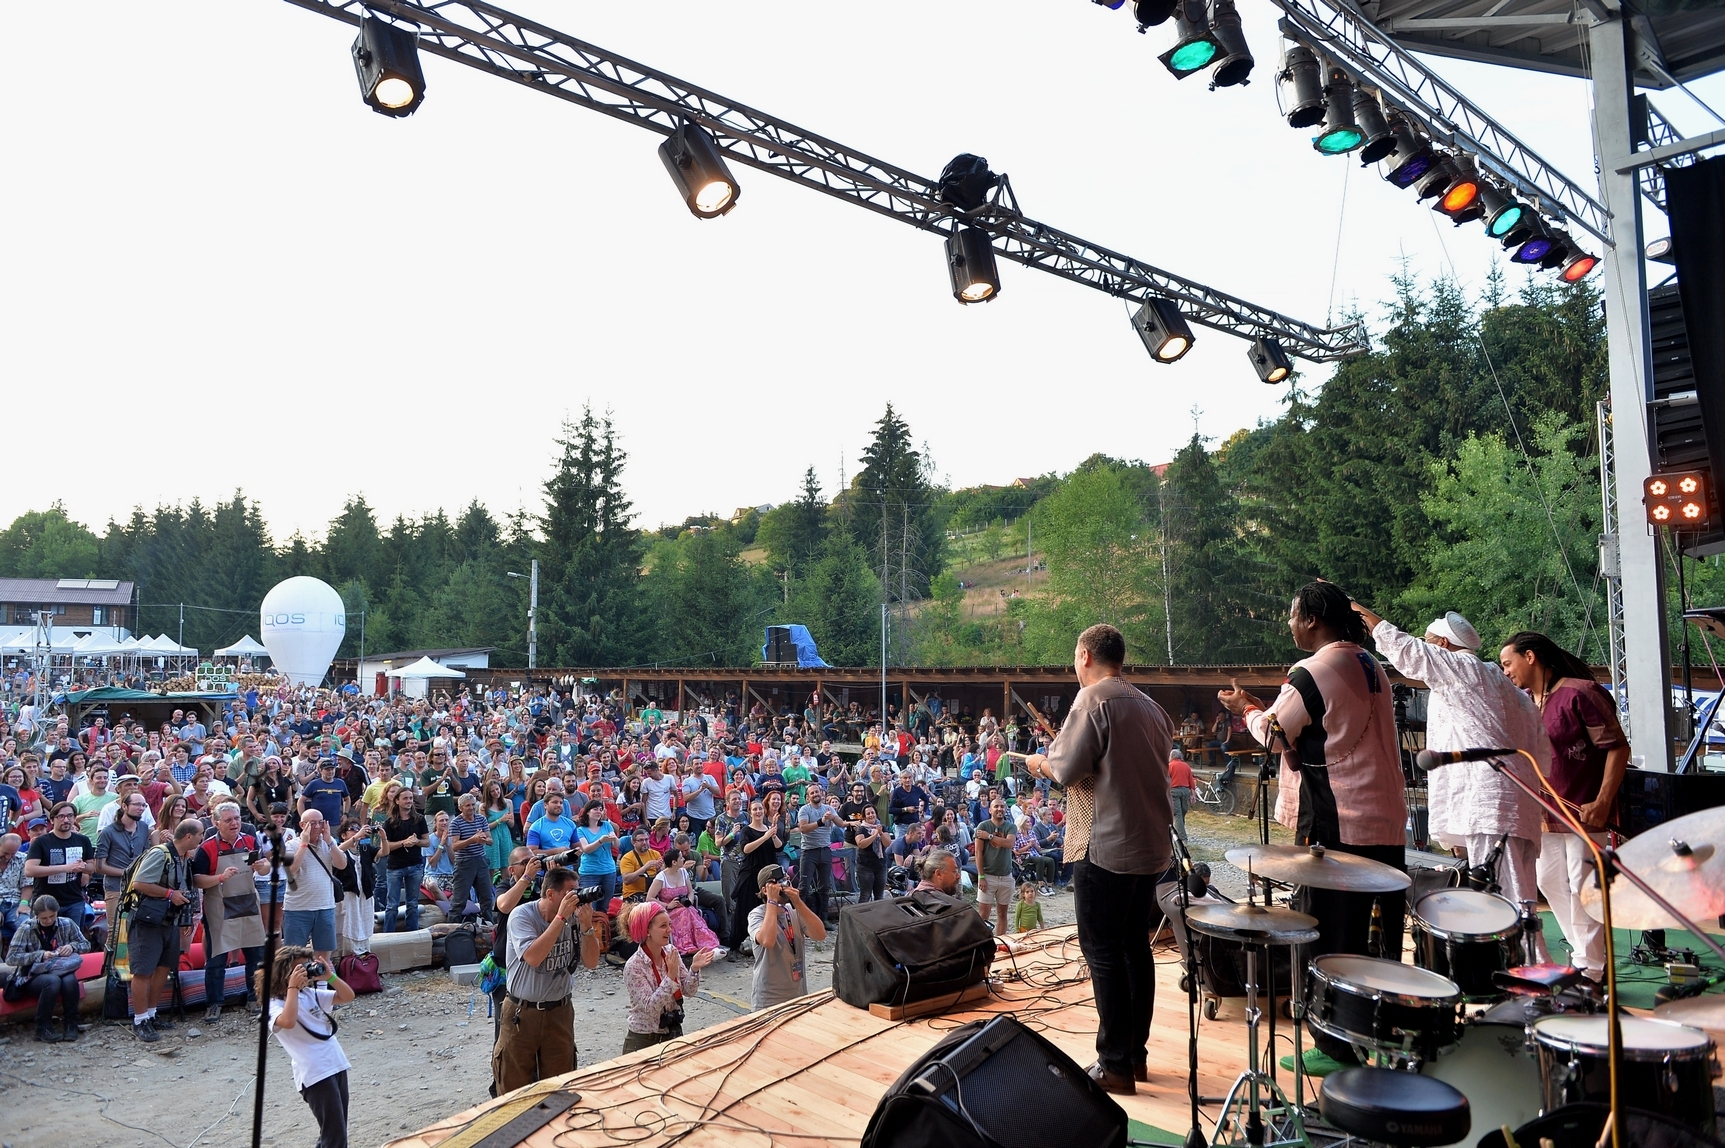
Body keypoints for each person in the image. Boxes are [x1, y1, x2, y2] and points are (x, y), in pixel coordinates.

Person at [1024, 623, 1175, 1096]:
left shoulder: (1092, 701)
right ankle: (1135, 1055)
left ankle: (1114, 1065)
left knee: (1103, 952)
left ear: (1085, 655)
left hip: (1105, 845)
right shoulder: (1153, 708)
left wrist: (1038, 763)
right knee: (1134, 947)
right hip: (1149, 846)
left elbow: (1068, 770)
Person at [1356, 604, 1550, 925]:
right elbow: (1541, 751)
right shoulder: (1506, 689)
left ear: (1443, 646)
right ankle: (1511, 967)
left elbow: (1408, 651)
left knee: (1509, 905)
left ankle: (1523, 969)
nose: (1424, 645)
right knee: (1506, 900)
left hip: (1492, 807)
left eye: (1428, 640)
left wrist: (1357, 609)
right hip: (1505, 807)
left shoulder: (1465, 668)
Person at [1500, 631, 1628, 982]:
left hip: (1585, 808)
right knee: (1548, 880)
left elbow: (1617, 748)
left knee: (1581, 882)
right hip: (1544, 812)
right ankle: (1584, 956)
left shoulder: (1580, 693)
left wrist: (1602, 801)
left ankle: (1592, 968)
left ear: (1530, 657)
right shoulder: (1525, 701)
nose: (1505, 671)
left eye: (1508, 663)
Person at [492, 866, 580, 1095]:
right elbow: (532, 957)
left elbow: (590, 962)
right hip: (522, 1012)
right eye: (569, 892)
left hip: (559, 1011)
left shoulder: (575, 918)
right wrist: (561, 918)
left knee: (559, 1087)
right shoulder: (521, 915)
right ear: (550, 894)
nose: (575, 898)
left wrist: (588, 927)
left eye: (577, 891)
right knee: (513, 1088)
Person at [264, 946, 356, 1148]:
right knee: (335, 1138)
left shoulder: (309, 994)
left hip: (335, 1063)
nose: (306, 972)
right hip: (314, 1073)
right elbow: (287, 1021)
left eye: (307, 966)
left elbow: (348, 996)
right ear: (285, 972)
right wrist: (292, 989)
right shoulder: (272, 1004)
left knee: (335, 1131)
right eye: (300, 969)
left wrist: (330, 977)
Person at [193, 802, 272, 1021]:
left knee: (255, 957)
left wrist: (262, 867)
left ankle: (253, 998)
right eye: (228, 820)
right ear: (216, 822)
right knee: (217, 959)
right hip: (219, 907)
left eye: (236, 818)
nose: (234, 823)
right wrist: (219, 877)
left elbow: (264, 867)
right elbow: (197, 880)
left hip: (247, 902)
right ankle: (214, 1003)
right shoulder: (207, 848)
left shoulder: (249, 841)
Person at [124, 818, 201, 1042]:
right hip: (147, 922)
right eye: (200, 834)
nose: (201, 838)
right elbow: (139, 883)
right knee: (143, 970)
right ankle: (140, 1020)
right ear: (188, 836)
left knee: (162, 968)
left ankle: (151, 1014)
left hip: (169, 921)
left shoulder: (183, 858)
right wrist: (169, 895)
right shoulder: (160, 854)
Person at [622, 900, 713, 1052]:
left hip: (671, 1032)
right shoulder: (634, 966)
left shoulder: (671, 952)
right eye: (663, 926)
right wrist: (670, 978)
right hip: (645, 1039)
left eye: (669, 925)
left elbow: (688, 991)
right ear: (646, 931)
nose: (669, 930)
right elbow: (651, 1009)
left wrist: (695, 969)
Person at [4, 894, 89, 1042]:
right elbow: (11, 958)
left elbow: (85, 945)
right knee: (52, 981)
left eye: (52, 916)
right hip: (31, 975)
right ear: (36, 916)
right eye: (44, 918)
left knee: (70, 981)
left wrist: (71, 946)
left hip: (61, 968)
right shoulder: (26, 929)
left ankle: (71, 1023)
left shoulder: (66, 923)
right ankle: (42, 1027)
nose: (49, 920)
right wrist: (39, 955)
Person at [748, 864, 825, 1011]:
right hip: (768, 1001)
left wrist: (798, 902)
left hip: (798, 997)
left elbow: (820, 935)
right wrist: (771, 901)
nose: (785, 884)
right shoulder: (757, 914)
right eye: (779, 881)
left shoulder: (792, 911)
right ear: (765, 889)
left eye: (786, 880)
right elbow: (767, 941)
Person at [283, 810, 349, 967]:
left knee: (324, 955)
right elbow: (291, 870)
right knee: (295, 956)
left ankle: (321, 989)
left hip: (324, 906)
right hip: (297, 909)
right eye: (312, 823)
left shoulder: (328, 842)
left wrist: (331, 843)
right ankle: (297, 989)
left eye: (320, 822)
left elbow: (342, 864)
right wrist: (304, 844)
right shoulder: (290, 845)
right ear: (302, 825)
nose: (317, 826)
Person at [24, 801, 96, 934]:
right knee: (42, 941)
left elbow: (91, 867)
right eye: (61, 816)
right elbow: (29, 870)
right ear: (52, 819)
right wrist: (64, 868)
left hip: (73, 900)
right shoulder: (41, 841)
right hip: (45, 901)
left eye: (70, 816)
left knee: (72, 942)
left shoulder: (83, 840)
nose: (66, 820)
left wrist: (83, 866)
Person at [646, 848, 725, 956]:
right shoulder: (661, 877)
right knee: (686, 913)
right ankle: (686, 945)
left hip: (685, 907)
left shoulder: (683, 872)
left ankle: (704, 944)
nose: (683, 859)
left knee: (688, 912)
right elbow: (649, 898)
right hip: (669, 911)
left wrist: (689, 901)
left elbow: (690, 892)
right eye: (681, 857)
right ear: (674, 862)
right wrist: (668, 905)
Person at [378, 787, 429, 933]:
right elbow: (385, 847)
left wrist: (415, 841)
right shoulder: (390, 822)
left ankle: (412, 933)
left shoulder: (419, 819)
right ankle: (388, 936)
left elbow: (426, 842)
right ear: (397, 801)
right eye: (405, 798)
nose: (408, 801)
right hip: (395, 867)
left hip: (415, 865)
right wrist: (403, 842)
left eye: (410, 798)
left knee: (412, 903)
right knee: (392, 905)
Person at [794, 782, 842, 924]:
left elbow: (841, 823)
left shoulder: (828, 808)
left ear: (822, 794)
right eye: (812, 793)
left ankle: (823, 919)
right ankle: (799, 920)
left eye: (817, 792)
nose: (816, 794)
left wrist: (853, 823)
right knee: (804, 886)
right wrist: (821, 821)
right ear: (808, 797)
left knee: (824, 886)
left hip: (825, 850)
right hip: (809, 852)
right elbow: (803, 828)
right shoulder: (804, 810)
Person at [448, 792, 496, 922]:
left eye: (473, 805)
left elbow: (491, 841)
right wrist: (472, 839)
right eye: (467, 805)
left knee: (486, 898)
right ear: (460, 808)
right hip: (464, 862)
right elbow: (455, 846)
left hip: (481, 860)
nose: (471, 808)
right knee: (459, 900)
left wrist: (484, 839)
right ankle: (453, 931)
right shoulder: (455, 822)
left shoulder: (481, 819)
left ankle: (489, 928)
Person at [972, 797, 1016, 932]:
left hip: (1006, 876)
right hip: (988, 875)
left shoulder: (1010, 826)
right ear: (990, 810)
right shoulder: (983, 826)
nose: (999, 809)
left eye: (1002, 806)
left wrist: (989, 836)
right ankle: (981, 943)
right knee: (984, 915)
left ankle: (1001, 942)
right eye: (996, 806)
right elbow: (978, 853)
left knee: (1002, 914)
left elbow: (1010, 844)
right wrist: (981, 876)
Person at [574, 799, 622, 903]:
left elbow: (617, 845)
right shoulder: (580, 830)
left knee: (605, 905)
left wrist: (614, 838)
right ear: (587, 812)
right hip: (589, 873)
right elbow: (586, 849)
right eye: (595, 809)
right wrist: (600, 841)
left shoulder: (606, 825)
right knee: (589, 905)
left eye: (600, 809)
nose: (598, 812)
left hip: (609, 871)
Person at [1166, 749, 1193, 845]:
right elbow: (1191, 780)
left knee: (1177, 815)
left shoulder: (1170, 766)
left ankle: (1182, 838)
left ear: (1172, 756)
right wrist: (1192, 793)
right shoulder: (1186, 766)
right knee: (1182, 812)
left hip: (1174, 791)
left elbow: (1166, 779)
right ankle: (1180, 833)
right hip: (1185, 791)